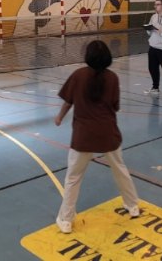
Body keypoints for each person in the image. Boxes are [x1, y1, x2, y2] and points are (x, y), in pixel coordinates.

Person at [54, 40, 140, 234]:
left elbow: (68, 101)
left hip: (83, 137)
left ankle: (66, 220)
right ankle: (133, 205)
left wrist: (59, 117)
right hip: (108, 134)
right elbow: (115, 107)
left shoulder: (78, 75)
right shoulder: (113, 78)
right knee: (120, 169)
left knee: (73, 177)